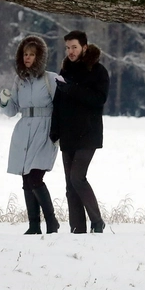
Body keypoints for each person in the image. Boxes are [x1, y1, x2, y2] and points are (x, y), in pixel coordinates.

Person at [0, 35, 60, 235]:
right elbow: (11, 111)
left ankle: (52, 222)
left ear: (39, 57)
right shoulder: (20, 80)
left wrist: (57, 132)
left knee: (35, 177)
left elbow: (61, 106)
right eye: (25, 54)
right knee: (26, 179)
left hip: (44, 132)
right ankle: (34, 225)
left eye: (32, 54)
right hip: (23, 131)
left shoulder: (50, 79)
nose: (28, 58)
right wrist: (4, 100)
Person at [51, 30, 109, 233]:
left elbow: (98, 99)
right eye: (67, 48)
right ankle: (77, 230)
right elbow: (57, 103)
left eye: (74, 47)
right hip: (67, 134)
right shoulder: (65, 71)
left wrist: (71, 89)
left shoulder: (98, 71)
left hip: (88, 133)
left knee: (77, 177)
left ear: (84, 47)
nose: (70, 51)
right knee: (70, 185)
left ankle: (96, 221)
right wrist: (54, 130)